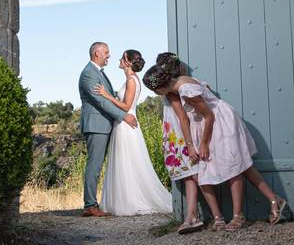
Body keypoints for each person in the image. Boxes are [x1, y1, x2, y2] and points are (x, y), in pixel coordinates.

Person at [144, 52, 287, 231]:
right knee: (229, 169)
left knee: (235, 167)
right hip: (206, 125)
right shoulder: (179, 84)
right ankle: (275, 199)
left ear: (160, 88)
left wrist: (203, 144)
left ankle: (238, 216)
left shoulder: (186, 91)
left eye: (154, 91)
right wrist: (192, 144)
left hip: (219, 123)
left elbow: (209, 116)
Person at [92, 50, 172, 215]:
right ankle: (123, 198)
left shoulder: (131, 80)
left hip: (126, 124)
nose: (119, 60)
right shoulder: (131, 79)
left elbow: (126, 106)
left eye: (123, 58)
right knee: (126, 161)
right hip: (124, 123)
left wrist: (107, 95)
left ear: (128, 62)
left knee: (127, 161)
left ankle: (130, 200)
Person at [143, 61, 204, 234]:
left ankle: (215, 215)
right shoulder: (170, 91)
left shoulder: (172, 93)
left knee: (197, 176)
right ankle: (192, 216)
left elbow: (183, 118)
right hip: (177, 139)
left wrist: (188, 144)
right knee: (189, 177)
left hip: (182, 139)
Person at [78, 42, 138, 217]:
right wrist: (123, 115)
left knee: (99, 165)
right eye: (106, 53)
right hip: (96, 125)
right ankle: (90, 205)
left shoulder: (98, 73)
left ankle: (96, 204)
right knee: (94, 165)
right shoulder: (89, 74)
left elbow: (108, 98)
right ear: (97, 53)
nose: (109, 56)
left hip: (104, 124)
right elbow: (100, 101)